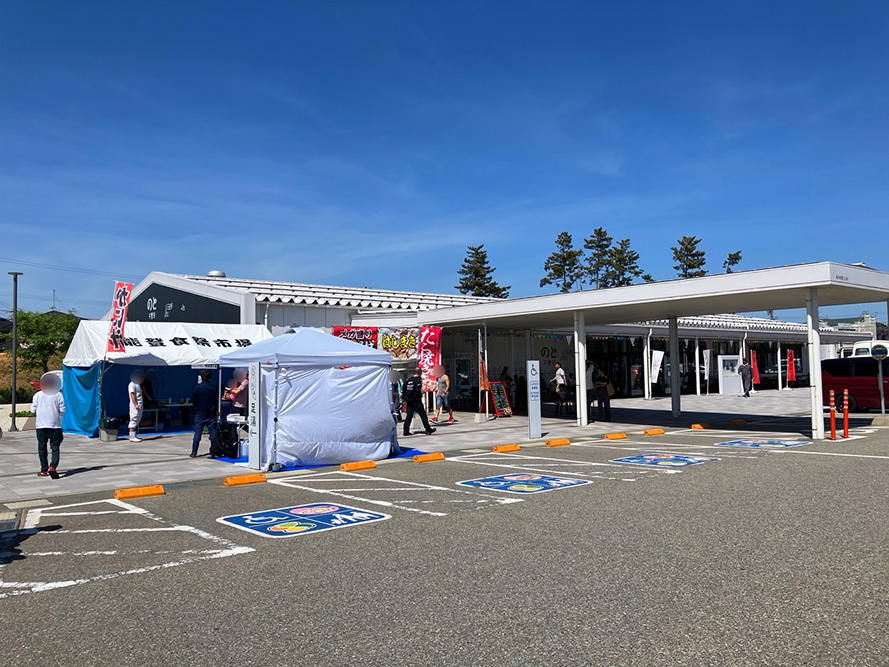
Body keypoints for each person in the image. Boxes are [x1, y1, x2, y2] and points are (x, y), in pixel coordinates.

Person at [32, 373, 65, 478]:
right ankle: (53, 466)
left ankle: (43, 470)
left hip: (40, 425)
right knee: (55, 447)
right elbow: (63, 409)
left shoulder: (37, 395)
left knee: (42, 448)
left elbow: (32, 410)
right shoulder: (58, 395)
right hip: (54, 425)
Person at [191, 370, 218, 458]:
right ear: (210, 378)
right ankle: (213, 452)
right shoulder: (213, 388)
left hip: (199, 413)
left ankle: (194, 452)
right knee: (213, 434)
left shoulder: (197, 388)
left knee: (197, 434)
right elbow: (216, 401)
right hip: (210, 413)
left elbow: (193, 401)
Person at [402, 368, 436, 436]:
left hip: (409, 400)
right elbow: (418, 390)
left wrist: (405, 398)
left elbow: (404, 388)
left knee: (409, 415)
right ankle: (428, 429)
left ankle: (406, 431)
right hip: (416, 400)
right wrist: (420, 395)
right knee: (422, 414)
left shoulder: (409, 380)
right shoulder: (418, 380)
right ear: (419, 372)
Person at [128, 370, 145, 442]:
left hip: (139, 405)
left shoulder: (137, 384)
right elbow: (132, 394)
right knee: (134, 419)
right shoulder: (132, 384)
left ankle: (134, 435)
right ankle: (132, 436)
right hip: (135, 406)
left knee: (138, 418)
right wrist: (135, 404)